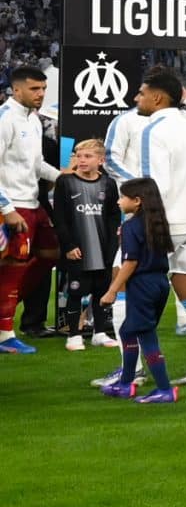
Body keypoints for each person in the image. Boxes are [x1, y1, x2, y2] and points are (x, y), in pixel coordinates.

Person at [111, 68, 186, 385]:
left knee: (121, 289)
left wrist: (137, 221)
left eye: (142, 93)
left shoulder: (152, 131)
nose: (137, 98)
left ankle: (132, 370)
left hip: (162, 225)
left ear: (157, 97)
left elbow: (154, 187)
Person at [101, 175, 179, 403]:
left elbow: (131, 262)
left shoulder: (131, 226)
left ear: (137, 201)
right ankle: (126, 383)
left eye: (123, 196)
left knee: (146, 336)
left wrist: (112, 290)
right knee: (129, 331)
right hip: (160, 283)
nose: (118, 201)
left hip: (142, 285)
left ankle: (164, 388)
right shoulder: (157, 223)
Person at [0, 63, 58, 354]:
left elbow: (36, 166)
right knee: (13, 268)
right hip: (11, 205)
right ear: (16, 89)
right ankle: (5, 333)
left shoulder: (34, 120)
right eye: (35, 89)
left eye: (44, 88)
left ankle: (4, 316)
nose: (41, 94)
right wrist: (6, 208)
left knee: (50, 253)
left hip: (33, 203)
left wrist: (64, 177)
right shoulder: (4, 119)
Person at [49, 138, 116, 350]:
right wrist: (68, 246)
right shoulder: (65, 182)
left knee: (101, 291)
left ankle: (100, 332)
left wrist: (113, 248)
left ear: (101, 160)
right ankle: (74, 335)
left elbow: (114, 218)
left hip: (102, 249)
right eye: (79, 156)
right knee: (76, 292)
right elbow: (59, 217)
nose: (82, 160)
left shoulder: (108, 184)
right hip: (77, 249)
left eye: (88, 156)